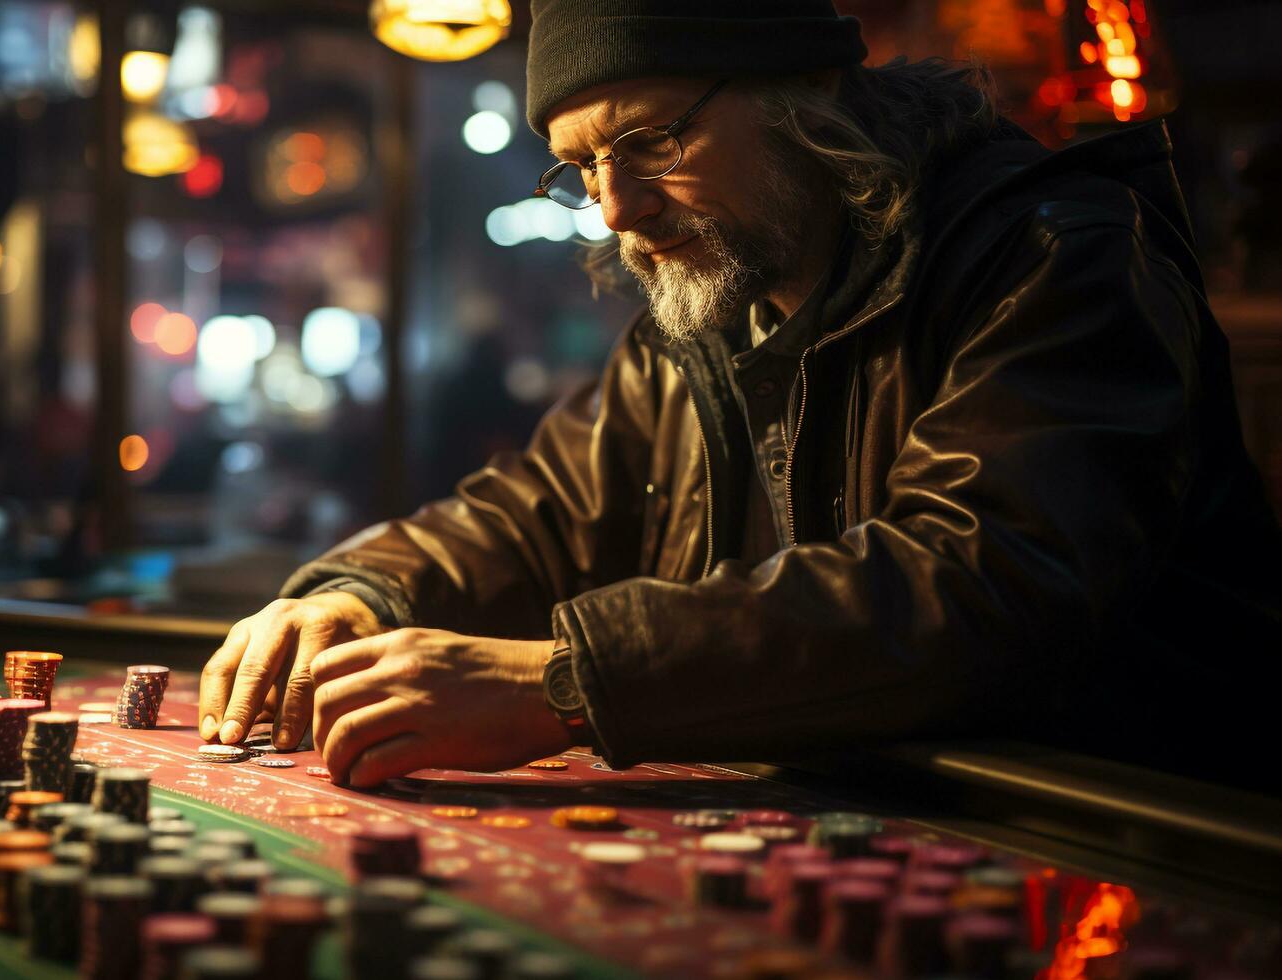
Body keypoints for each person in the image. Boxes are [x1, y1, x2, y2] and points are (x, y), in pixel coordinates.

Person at [198, 0, 1282, 791]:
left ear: (798, 93)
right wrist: (359, 591)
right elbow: (533, 513)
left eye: (650, 141)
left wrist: (568, 682)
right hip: (885, 815)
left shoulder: (1052, 254)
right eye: (580, 167)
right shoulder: (706, 307)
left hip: (1139, 835)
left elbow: (982, 583)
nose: (614, 207)